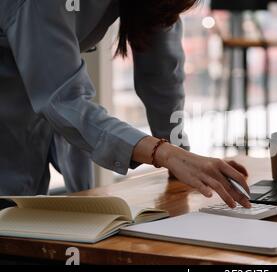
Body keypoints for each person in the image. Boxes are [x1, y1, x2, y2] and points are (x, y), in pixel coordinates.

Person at [0, 0, 251, 209]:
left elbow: (163, 72)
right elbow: (65, 100)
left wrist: (182, 157)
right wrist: (165, 154)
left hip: (29, 126)